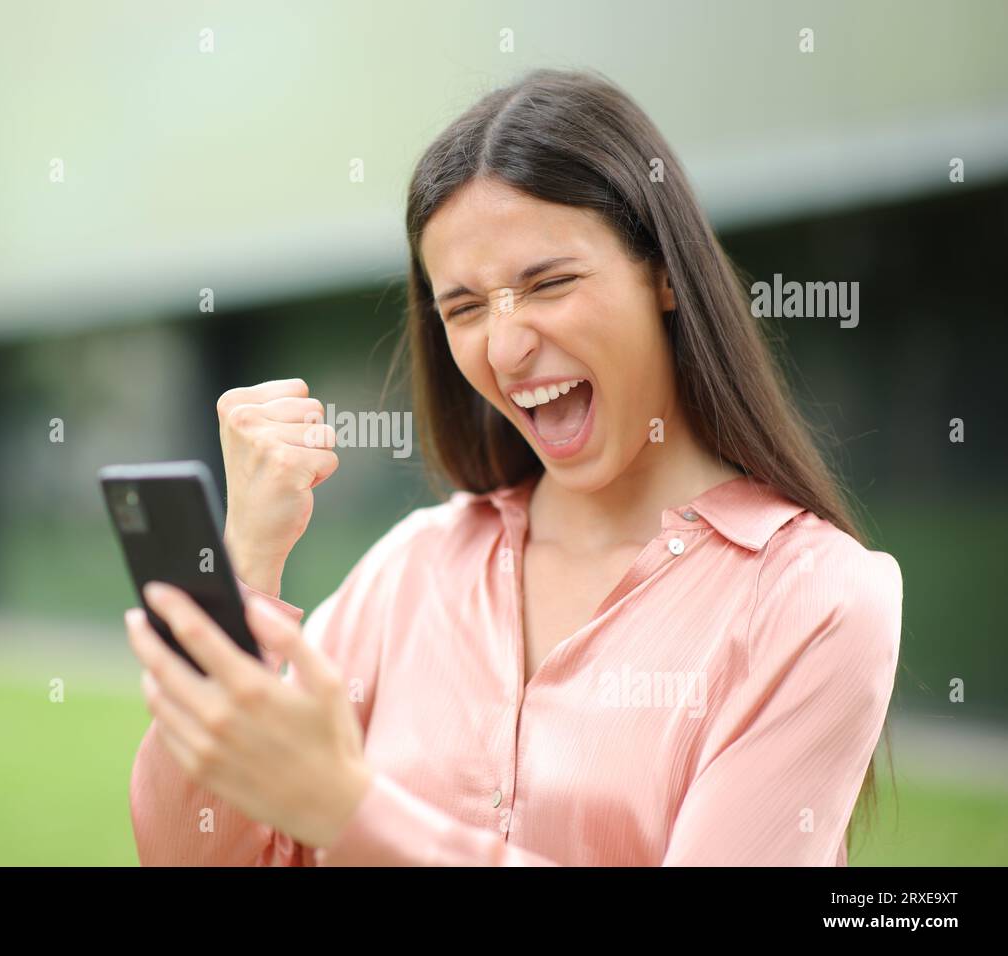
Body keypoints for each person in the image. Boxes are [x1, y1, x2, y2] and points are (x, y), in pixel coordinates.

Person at [124, 68, 902, 866]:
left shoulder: (817, 601)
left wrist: (349, 813)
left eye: (551, 283)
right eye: (463, 307)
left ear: (664, 274)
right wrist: (243, 568)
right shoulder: (411, 571)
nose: (506, 349)